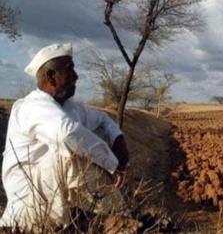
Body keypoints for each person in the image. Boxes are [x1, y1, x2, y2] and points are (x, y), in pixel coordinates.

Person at [0, 43, 129, 231]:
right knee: (70, 155)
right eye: (70, 70)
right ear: (51, 77)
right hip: (30, 204)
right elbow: (67, 134)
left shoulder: (69, 107)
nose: (76, 76)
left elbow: (102, 119)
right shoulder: (31, 106)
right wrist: (114, 165)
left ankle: (110, 216)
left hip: (54, 196)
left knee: (95, 135)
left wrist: (119, 143)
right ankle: (119, 217)